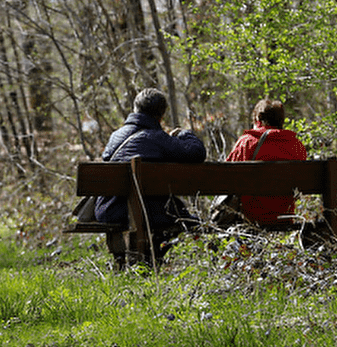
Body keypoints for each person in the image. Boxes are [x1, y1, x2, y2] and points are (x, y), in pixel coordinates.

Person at [94, 88, 206, 256]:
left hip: (110, 210)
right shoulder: (158, 138)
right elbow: (197, 152)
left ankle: (130, 258)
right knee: (178, 214)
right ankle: (154, 258)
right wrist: (183, 133)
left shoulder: (115, 137)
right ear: (161, 115)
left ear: (135, 109)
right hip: (150, 211)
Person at [221, 98, 309, 225]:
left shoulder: (246, 142)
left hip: (248, 217)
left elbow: (225, 177)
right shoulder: (295, 144)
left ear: (257, 120)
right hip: (284, 215)